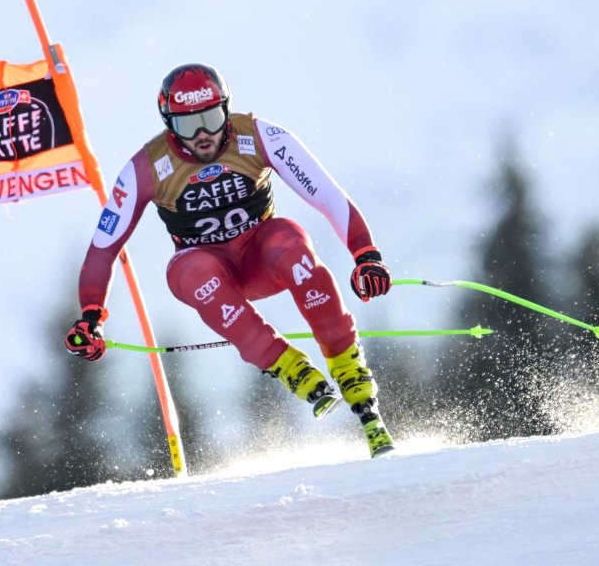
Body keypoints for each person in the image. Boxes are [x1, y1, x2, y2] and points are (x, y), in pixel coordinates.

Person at [64, 63, 395, 458]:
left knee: (287, 239)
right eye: (189, 125)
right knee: (191, 270)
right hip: (209, 268)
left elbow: (327, 196)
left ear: (226, 108)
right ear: (170, 124)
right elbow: (104, 246)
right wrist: (90, 315)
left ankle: (350, 369)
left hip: (262, 257)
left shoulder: (259, 135)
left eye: (212, 118)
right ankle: (286, 365)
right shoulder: (147, 167)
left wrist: (365, 254)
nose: (203, 134)